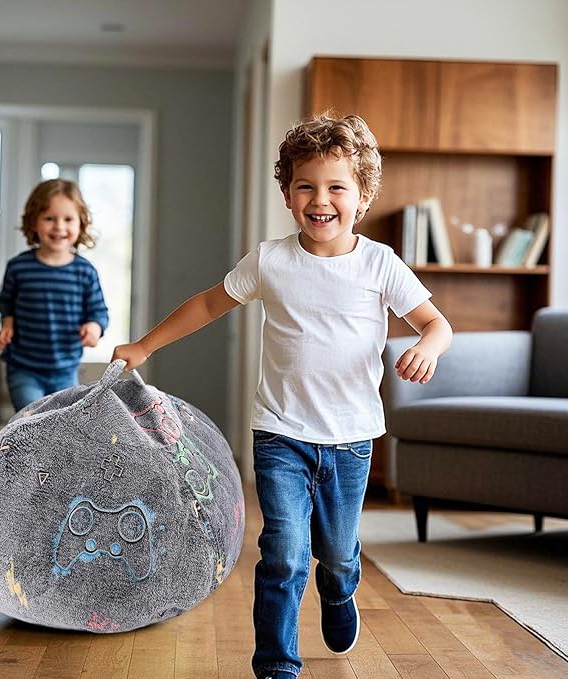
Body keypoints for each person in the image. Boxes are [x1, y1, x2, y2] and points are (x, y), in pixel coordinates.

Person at [111, 112, 453, 679]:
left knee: (337, 552)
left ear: (363, 195)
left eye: (337, 187)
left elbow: (436, 323)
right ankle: (277, 663)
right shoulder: (271, 260)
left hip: (350, 439)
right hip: (280, 432)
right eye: (305, 186)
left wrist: (429, 347)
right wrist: (145, 346)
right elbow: (208, 304)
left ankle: (339, 592)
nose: (321, 200)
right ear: (288, 194)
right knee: (284, 553)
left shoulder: (379, 264)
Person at [0, 179, 109, 411]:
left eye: (68, 219)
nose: (59, 227)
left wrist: (94, 327)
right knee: (31, 420)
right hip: (24, 368)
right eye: (49, 218)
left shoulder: (85, 271)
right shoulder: (18, 267)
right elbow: (6, 301)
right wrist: (8, 322)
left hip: (66, 370)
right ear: (33, 222)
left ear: (81, 223)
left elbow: (98, 311)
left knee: (61, 424)